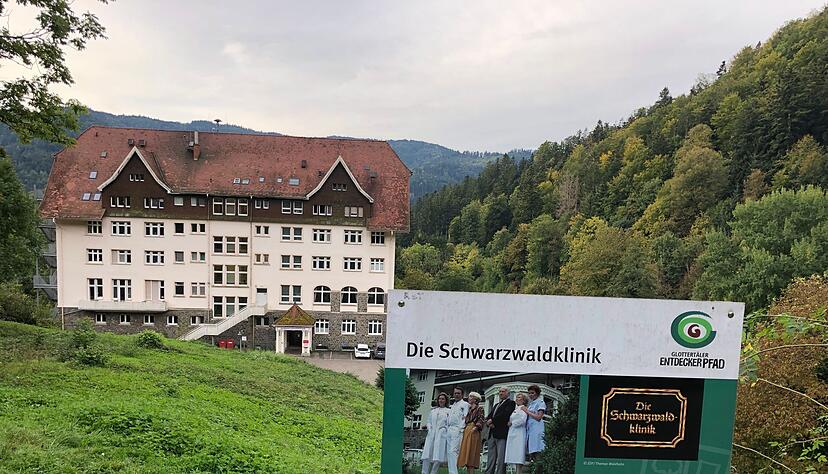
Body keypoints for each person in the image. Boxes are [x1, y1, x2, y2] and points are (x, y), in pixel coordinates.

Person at [485, 386, 515, 474]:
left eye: (502, 391)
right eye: (500, 391)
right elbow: (490, 416)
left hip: (502, 434)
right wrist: (488, 422)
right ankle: (489, 472)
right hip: (492, 433)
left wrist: (493, 421)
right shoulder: (496, 405)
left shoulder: (511, 403)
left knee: (501, 457)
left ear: (508, 393)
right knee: (491, 456)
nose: (500, 393)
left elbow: (505, 415)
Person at [422, 392, 451, 474]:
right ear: (437, 400)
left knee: (438, 454)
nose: (441, 400)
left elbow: (449, 423)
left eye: (443, 399)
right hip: (431, 434)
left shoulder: (448, 411)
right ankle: (424, 472)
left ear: (446, 400)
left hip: (441, 435)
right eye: (439, 399)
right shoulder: (433, 411)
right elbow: (428, 421)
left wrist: (444, 429)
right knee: (427, 454)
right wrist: (429, 428)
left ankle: (433, 472)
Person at [457, 391, 484, 474]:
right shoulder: (469, 409)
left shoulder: (480, 408)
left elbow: (481, 419)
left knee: (471, 453)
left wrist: (476, 427)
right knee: (466, 454)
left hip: (473, 430)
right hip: (467, 430)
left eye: (471, 397)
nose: (469, 398)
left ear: (475, 399)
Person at [447, 387, 470, 474]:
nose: (456, 395)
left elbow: (465, 417)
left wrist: (461, 429)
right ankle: (451, 471)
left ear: (462, 394)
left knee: (453, 451)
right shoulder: (453, 405)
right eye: (455, 393)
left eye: (458, 393)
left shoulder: (465, 404)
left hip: (457, 429)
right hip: (449, 429)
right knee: (449, 452)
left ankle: (454, 472)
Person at [505, 393, 528, 473]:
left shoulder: (523, 408)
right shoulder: (516, 409)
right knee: (514, 455)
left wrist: (512, 423)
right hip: (513, 433)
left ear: (523, 400)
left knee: (518, 454)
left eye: (519, 397)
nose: (517, 399)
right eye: (517, 397)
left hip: (519, 434)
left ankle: (519, 472)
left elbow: (522, 420)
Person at [523, 384, 547, 461]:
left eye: (532, 393)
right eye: (529, 393)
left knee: (538, 451)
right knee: (532, 453)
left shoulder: (541, 402)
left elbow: (539, 417)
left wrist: (527, 411)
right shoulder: (530, 404)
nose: (530, 395)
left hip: (537, 429)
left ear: (537, 393)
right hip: (530, 430)